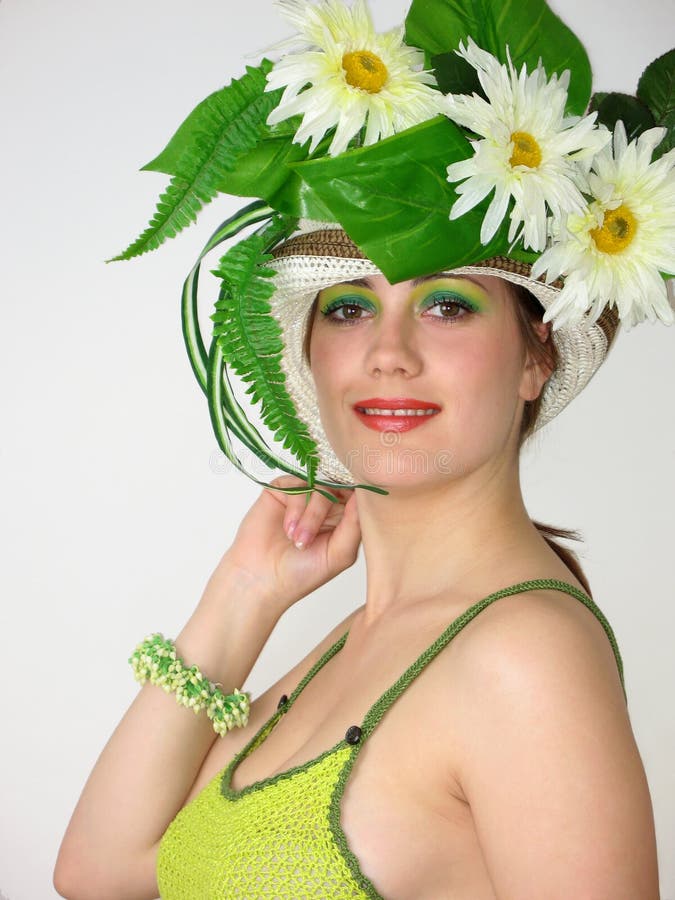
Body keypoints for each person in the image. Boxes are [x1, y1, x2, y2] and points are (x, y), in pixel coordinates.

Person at [54, 0, 672, 897]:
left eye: (447, 304)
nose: (389, 352)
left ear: (536, 356)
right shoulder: (360, 640)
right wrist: (242, 594)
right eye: (348, 308)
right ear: (311, 353)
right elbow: (104, 872)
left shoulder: (520, 658)